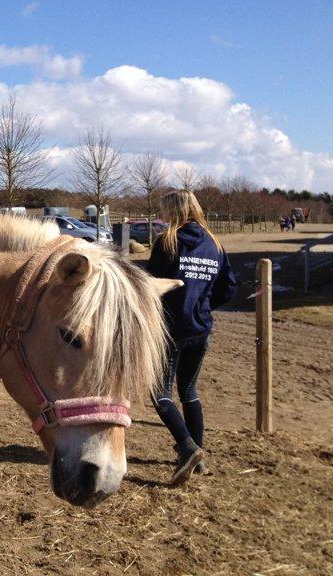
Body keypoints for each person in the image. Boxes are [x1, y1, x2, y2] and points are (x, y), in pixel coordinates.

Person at [147, 189, 237, 486]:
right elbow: (228, 287)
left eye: (164, 210)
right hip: (201, 329)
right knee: (189, 391)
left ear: (173, 211)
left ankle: (186, 447)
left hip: (171, 329)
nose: (161, 215)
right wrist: (202, 304)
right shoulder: (215, 244)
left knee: (160, 393)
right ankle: (199, 456)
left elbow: (153, 285)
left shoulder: (167, 242)